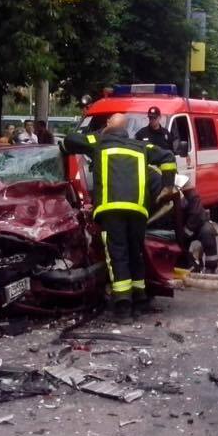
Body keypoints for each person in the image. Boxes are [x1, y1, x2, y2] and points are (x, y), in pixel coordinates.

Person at [62, 113, 176, 321]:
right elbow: (168, 157)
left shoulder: (99, 142)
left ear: (108, 128)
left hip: (112, 208)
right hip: (138, 210)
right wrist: (168, 185)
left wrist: (99, 133)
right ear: (126, 131)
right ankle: (140, 299)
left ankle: (123, 306)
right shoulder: (140, 146)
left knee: (118, 255)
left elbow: (69, 140)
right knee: (135, 252)